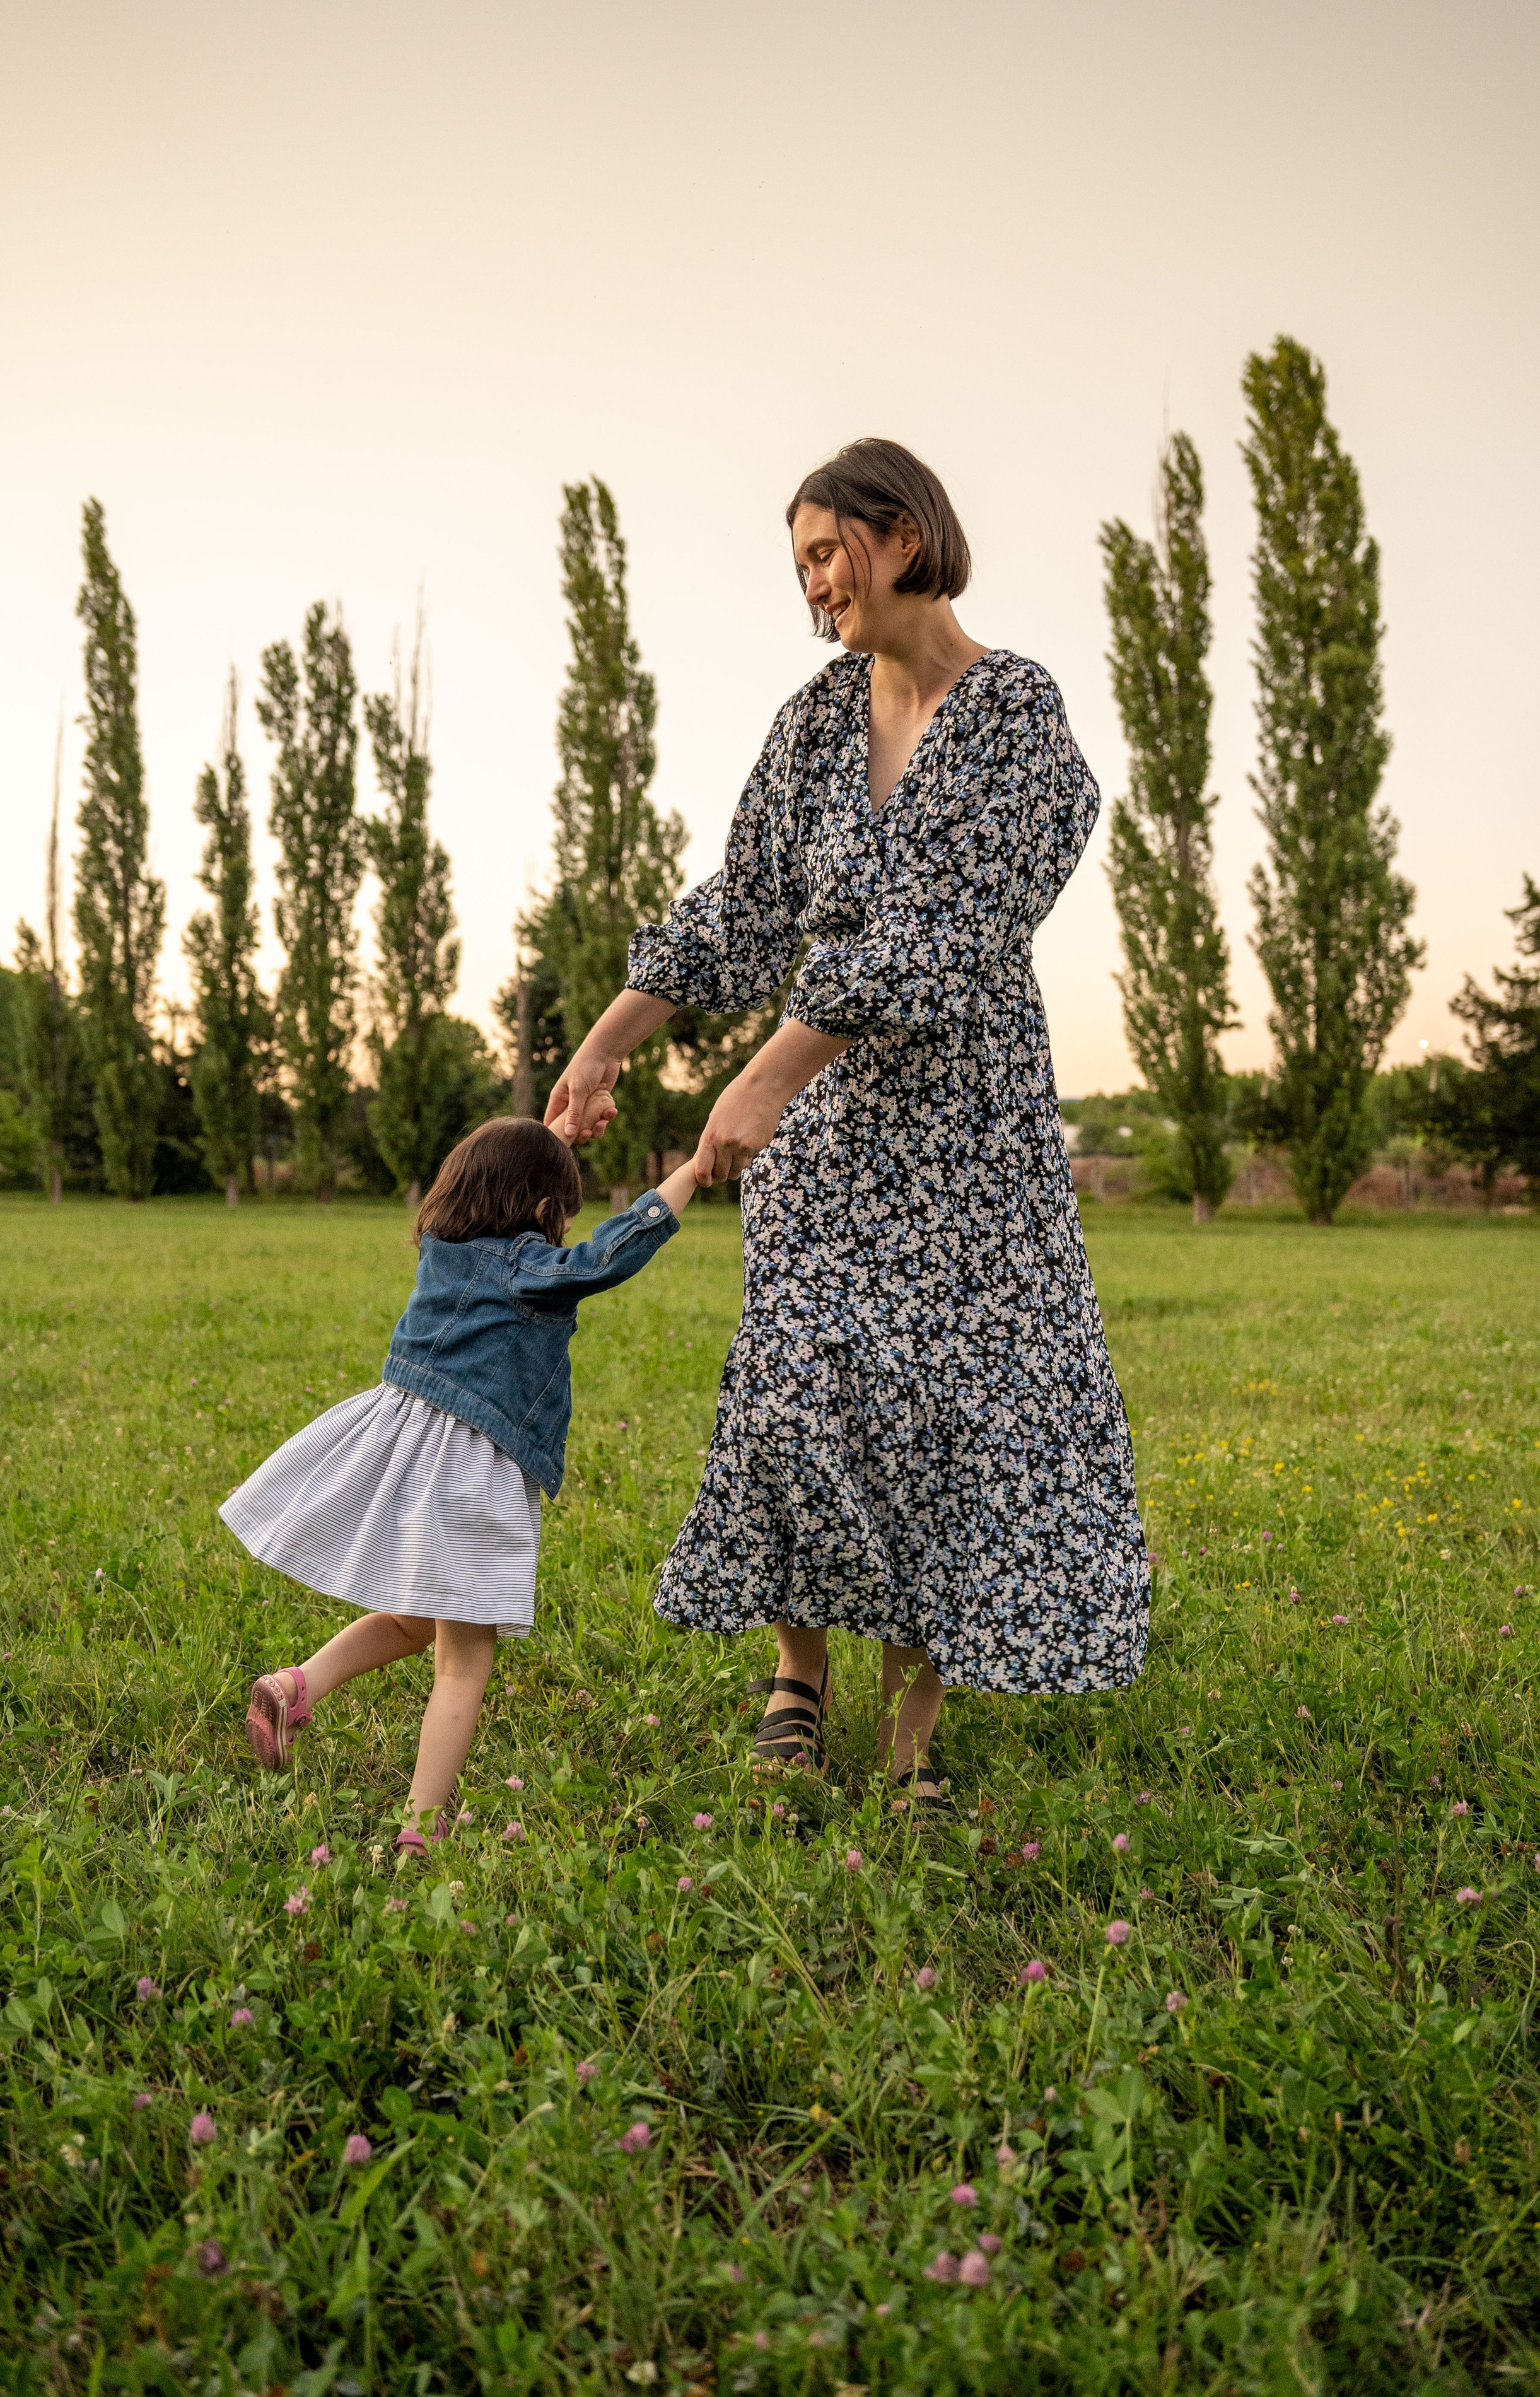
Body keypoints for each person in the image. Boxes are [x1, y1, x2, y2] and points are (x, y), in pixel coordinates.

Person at [545, 438, 1149, 1811]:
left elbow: (940, 933)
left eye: (826, 553)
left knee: (943, 1410)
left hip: (963, 1127)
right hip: (820, 1141)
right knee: (798, 1384)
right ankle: (793, 1674)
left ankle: (914, 1729)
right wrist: (600, 1047)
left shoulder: (1015, 717)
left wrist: (763, 1075)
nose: (815, 586)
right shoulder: (813, 721)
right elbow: (738, 904)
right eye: (801, 563)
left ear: (899, 533)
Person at [222, 1118, 698, 1855]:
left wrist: (552, 1132)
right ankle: (421, 1827)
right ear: (542, 1211)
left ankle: (295, 1687)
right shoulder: (525, 1268)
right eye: (559, 1214)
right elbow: (605, 1257)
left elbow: (515, 1167)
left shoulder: (444, 1254)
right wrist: (690, 1174)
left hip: (412, 1460)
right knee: (464, 1658)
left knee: (414, 1621)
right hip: (470, 1471)